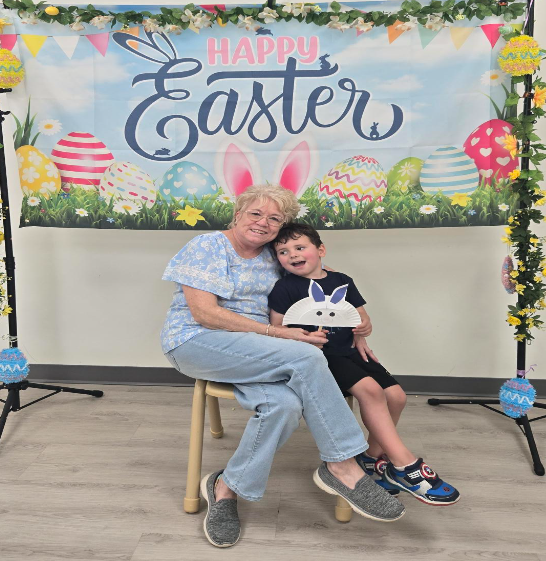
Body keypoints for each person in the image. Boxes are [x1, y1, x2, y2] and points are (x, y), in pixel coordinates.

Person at [161, 185, 405, 549]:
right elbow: (205, 314)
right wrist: (279, 333)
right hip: (197, 341)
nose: (263, 223)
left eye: (274, 219)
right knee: (307, 356)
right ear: (238, 214)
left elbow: (321, 271)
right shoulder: (207, 246)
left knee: (285, 405)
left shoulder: (272, 254)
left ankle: (225, 487)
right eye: (255, 213)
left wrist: (358, 314)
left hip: (257, 350)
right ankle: (344, 466)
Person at [268, 222, 460, 506]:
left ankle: (370, 458)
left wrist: (364, 328)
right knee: (371, 391)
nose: (292, 254)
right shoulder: (285, 287)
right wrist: (304, 338)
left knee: (397, 396)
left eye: (299, 247)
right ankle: (404, 464)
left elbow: (359, 315)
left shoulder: (341, 280)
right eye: (283, 252)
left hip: (351, 352)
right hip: (321, 359)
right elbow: (278, 328)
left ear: (320, 250)